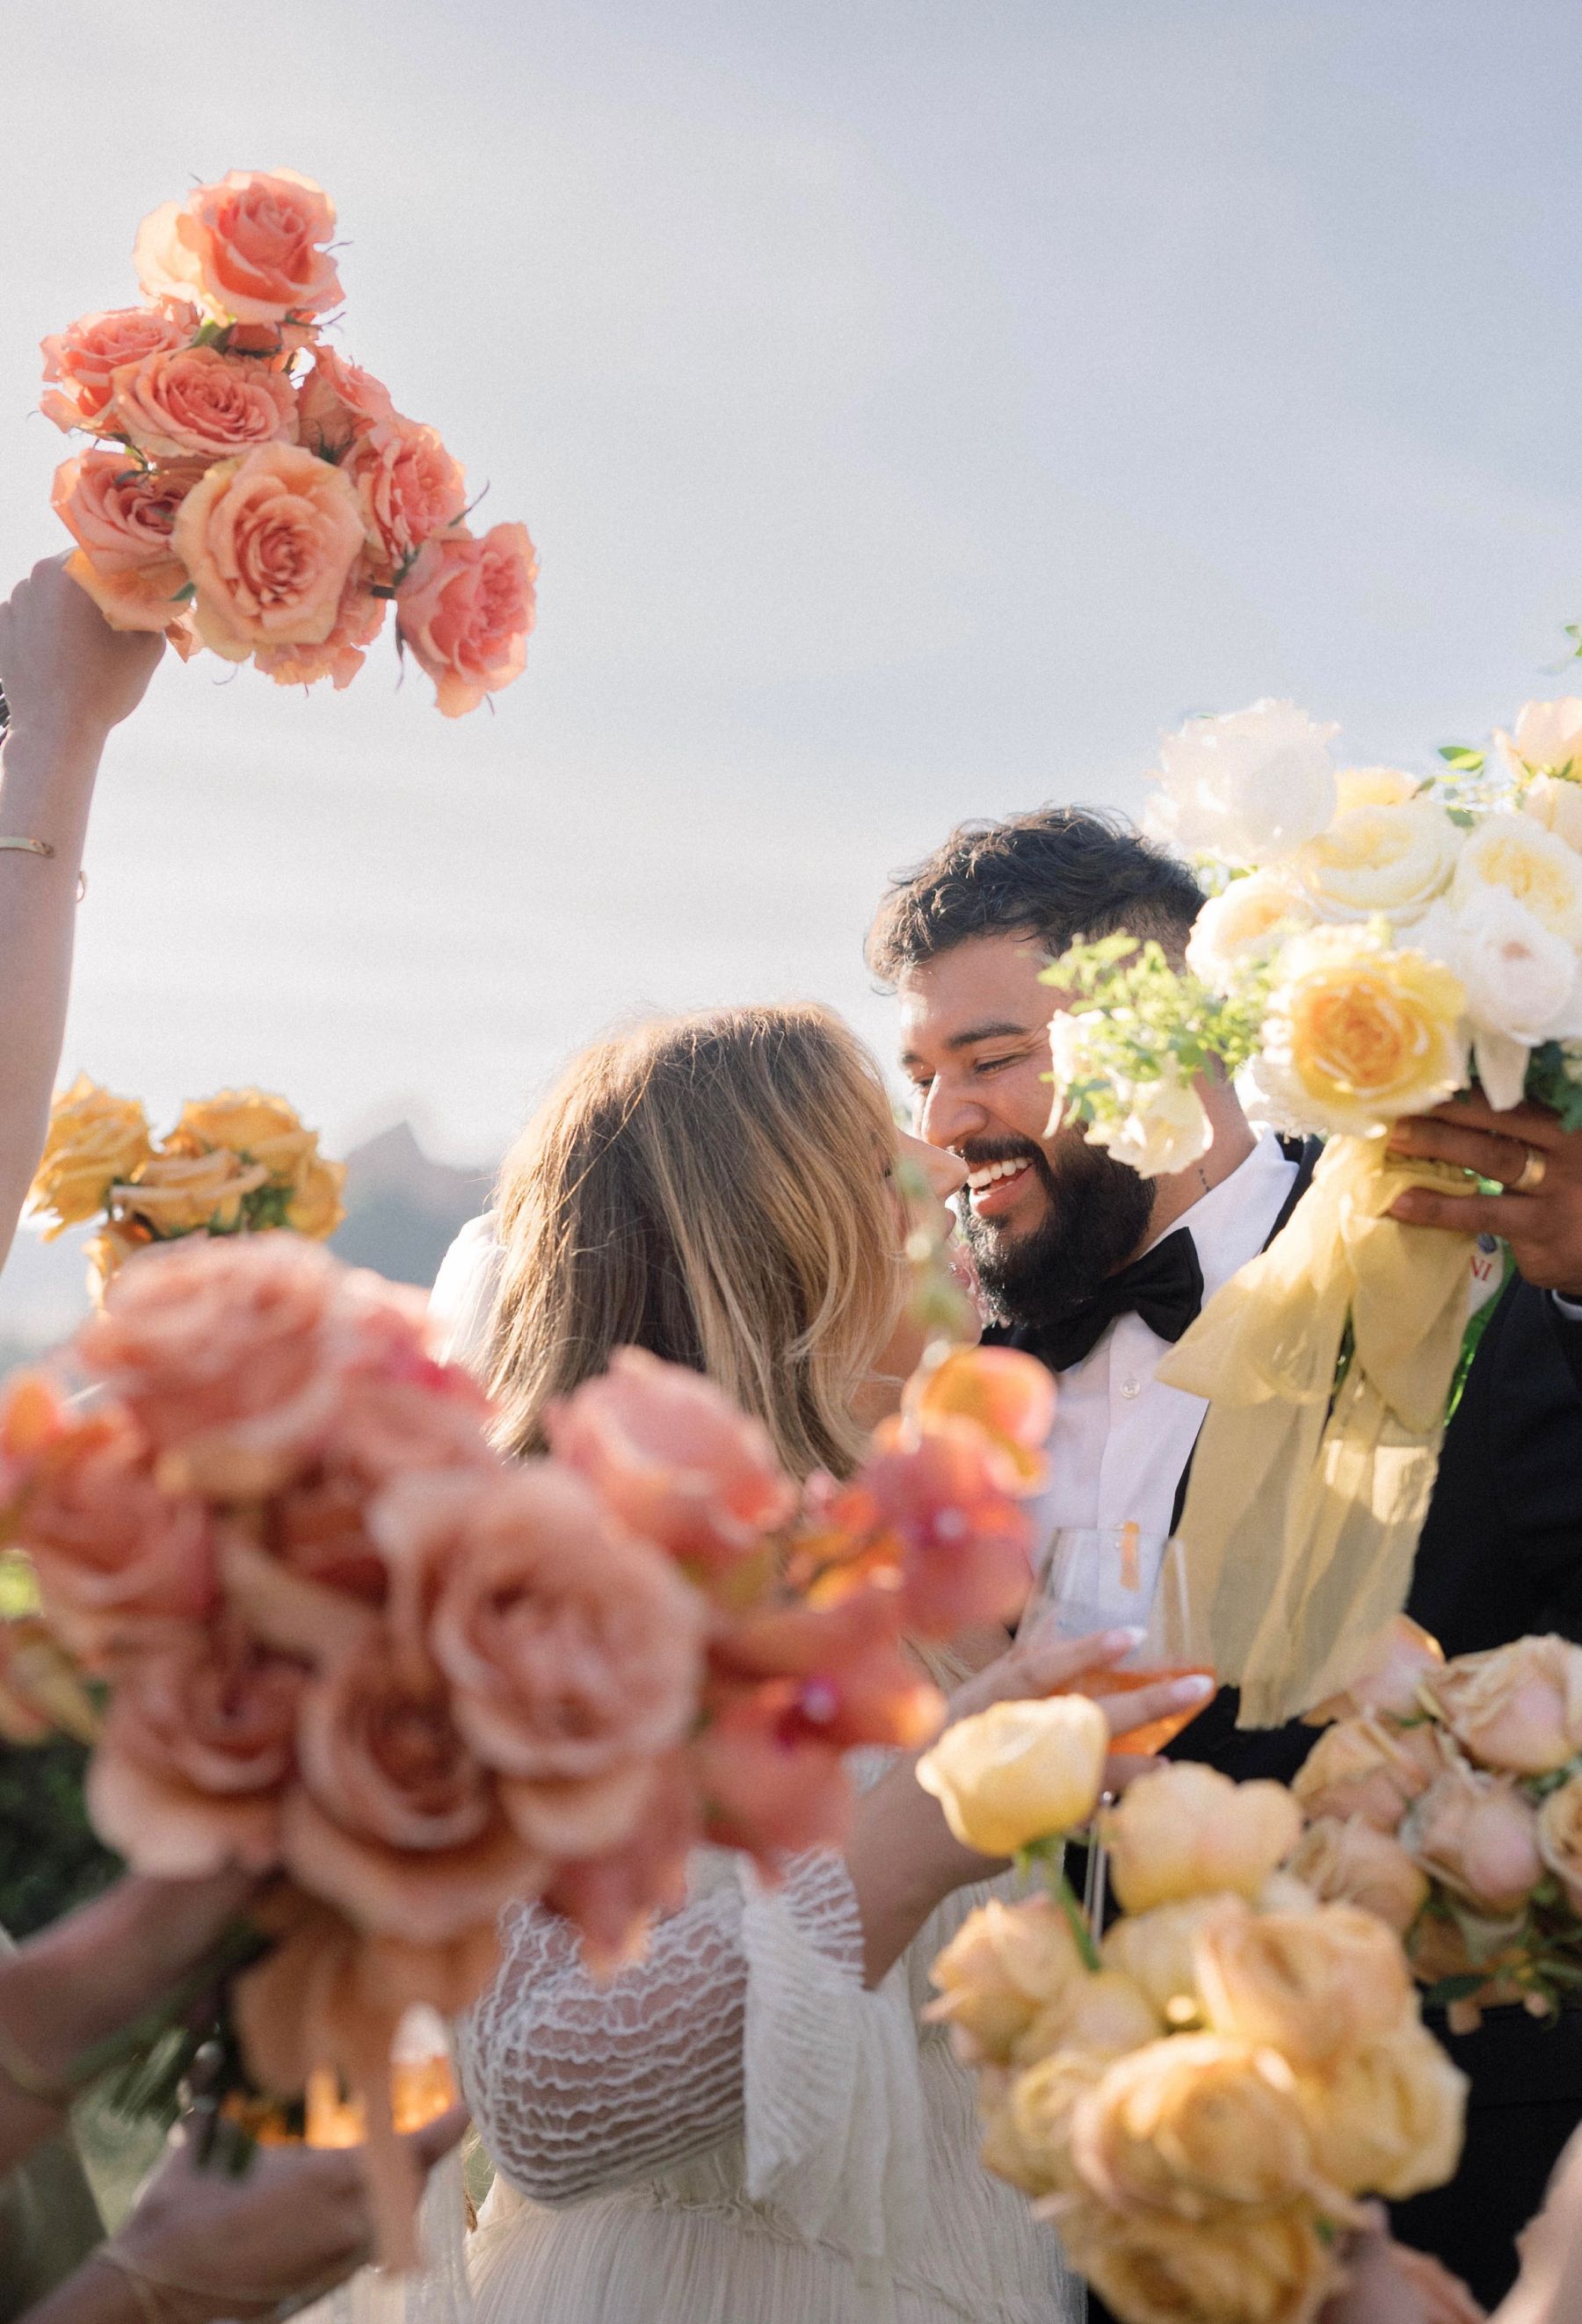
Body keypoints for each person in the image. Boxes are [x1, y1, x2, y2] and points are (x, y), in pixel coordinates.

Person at [868, 803, 1582, 2308]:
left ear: (1166, 1033)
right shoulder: (929, 1382)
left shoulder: (1459, 1290)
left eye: (992, 1059)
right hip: (1010, 2241)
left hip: (1411, 2222)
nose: (942, 1122)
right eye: (923, 1071)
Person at [435, 1004, 1211, 2324]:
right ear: (769, 1238)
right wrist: (927, 1825)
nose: (936, 1165)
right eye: (873, 1158)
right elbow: (544, 2094)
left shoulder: (944, 1568)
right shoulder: (594, 1583)